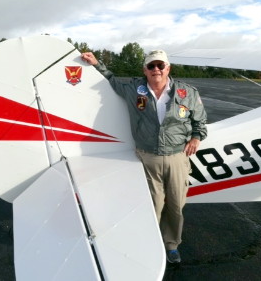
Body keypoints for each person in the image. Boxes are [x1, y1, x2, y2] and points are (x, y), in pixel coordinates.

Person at [81, 50, 207, 264]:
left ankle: (171, 244)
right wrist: (96, 63)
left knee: (176, 205)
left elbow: (200, 121)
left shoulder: (187, 92)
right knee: (153, 205)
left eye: (160, 65)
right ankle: (149, 244)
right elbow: (111, 80)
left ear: (168, 68)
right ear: (145, 70)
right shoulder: (133, 89)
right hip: (148, 157)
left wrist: (196, 137)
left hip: (177, 156)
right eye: (151, 66)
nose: (156, 69)